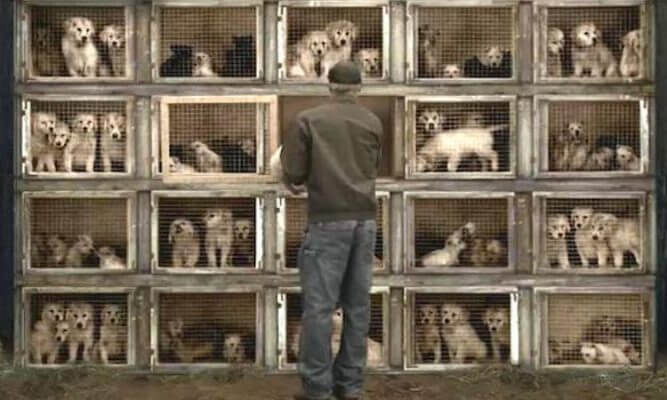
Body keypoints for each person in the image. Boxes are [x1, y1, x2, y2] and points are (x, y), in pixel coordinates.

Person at [281, 61, 383, 400]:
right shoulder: (372, 122)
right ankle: (350, 387)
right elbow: (371, 167)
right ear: (359, 88)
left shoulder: (308, 120)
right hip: (365, 222)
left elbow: (294, 173)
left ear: (329, 86)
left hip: (327, 222)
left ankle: (317, 390)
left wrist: (298, 178)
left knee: (319, 309)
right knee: (357, 307)